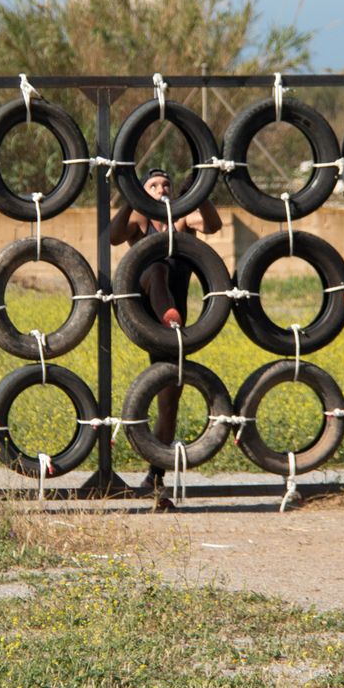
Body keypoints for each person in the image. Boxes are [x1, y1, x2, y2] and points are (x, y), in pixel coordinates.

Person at [108, 167, 222, 506]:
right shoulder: (141, 217)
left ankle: (156, 475)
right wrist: (132, 198)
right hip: (146, 315)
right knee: (156, 265)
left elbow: (213, 225)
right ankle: (166, 313)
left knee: (169, 400)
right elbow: (114, 236)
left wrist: (201, 192)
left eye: (166, 184)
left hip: (177, 327)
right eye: (154, 185)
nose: (162, 189)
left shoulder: (183, 219)